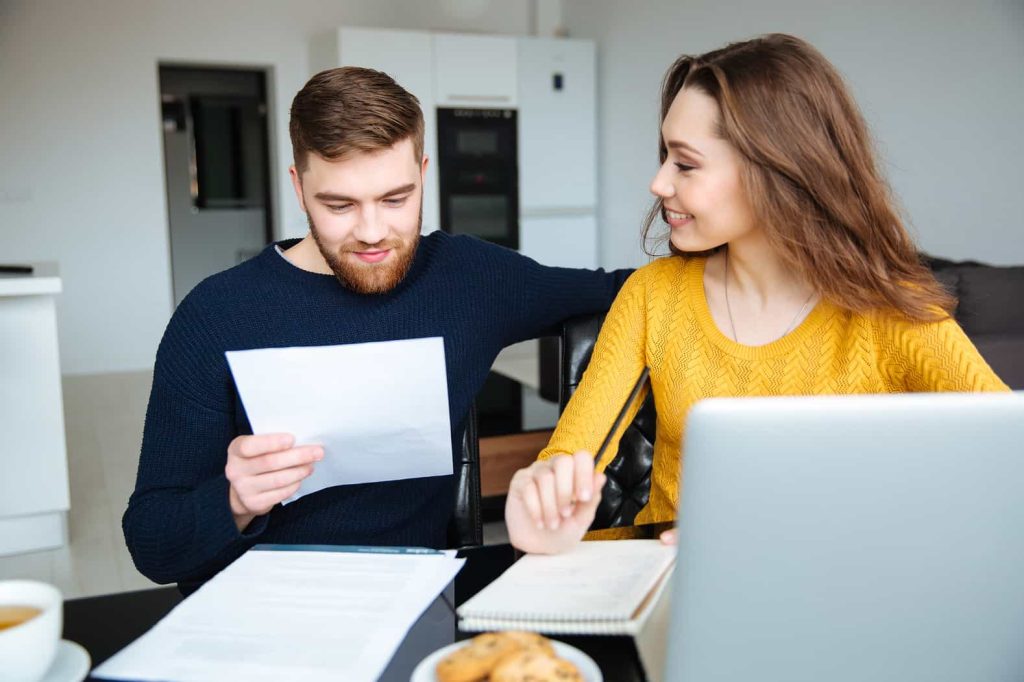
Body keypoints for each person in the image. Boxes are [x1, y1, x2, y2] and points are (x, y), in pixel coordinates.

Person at [123, 67, 631, 593]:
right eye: (339, 205)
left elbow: (626, 290)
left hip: (409, 593)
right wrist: (232, 502)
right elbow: (152, 545)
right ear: (299, 187)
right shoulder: (215, 313)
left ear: (423, 174)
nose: (371, 233)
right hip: (256, 603)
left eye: (395, 199)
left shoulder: (470, 278)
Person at [505, 33, 1010, 555]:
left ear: (777, 171)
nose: (658, 183)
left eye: (685, 163)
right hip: (668, 585)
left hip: (842, 586)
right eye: (665, 157)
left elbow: (1005, 460)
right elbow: (569, 454)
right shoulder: (652, 295)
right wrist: (542, 494)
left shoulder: (892, 312)